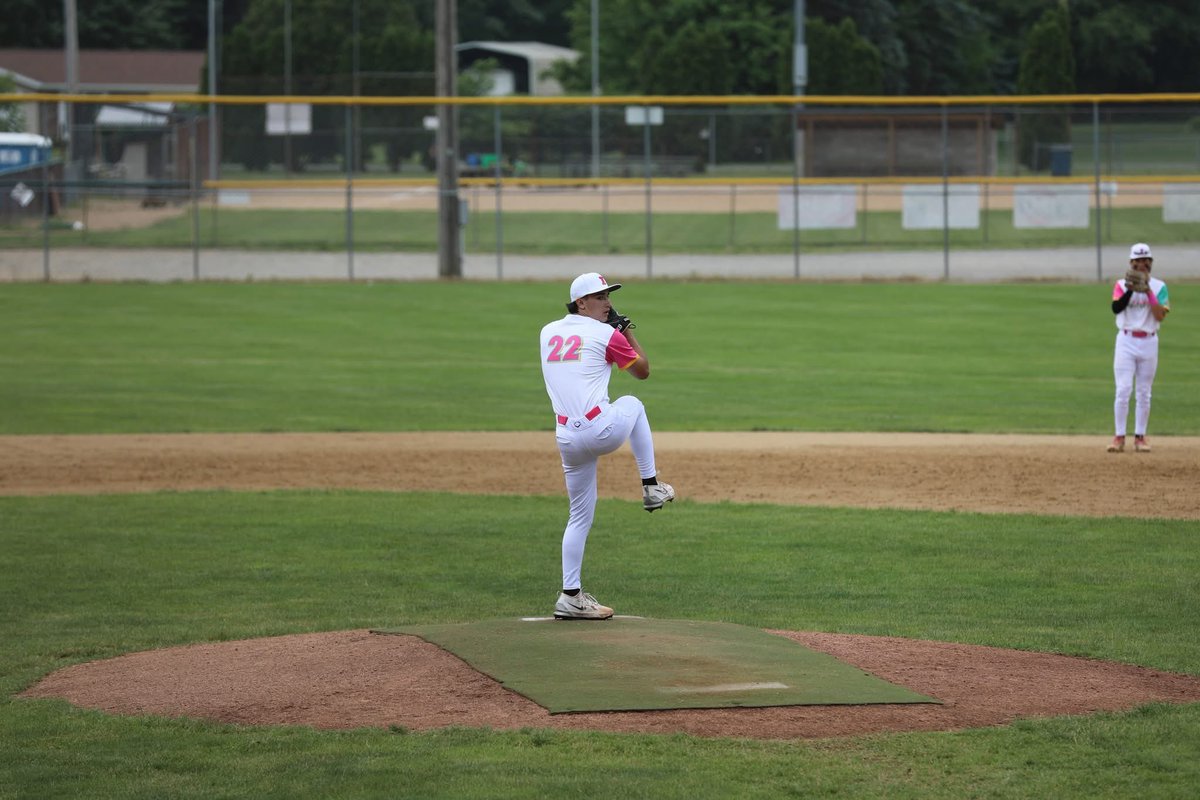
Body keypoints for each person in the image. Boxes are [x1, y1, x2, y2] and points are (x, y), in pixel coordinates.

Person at [539, 272, 675, 620]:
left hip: (567, 439)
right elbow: (643, 371)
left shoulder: (548, 331)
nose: (608, 303)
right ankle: (651, 486)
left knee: (579, 515)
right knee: (633, 402)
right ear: (581, 302)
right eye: (599, 297)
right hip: (599, 429)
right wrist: (626, 333)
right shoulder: (605, 334)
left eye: (608, 296)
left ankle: (570, 596)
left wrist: (610, 332)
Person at [1107, 242, 1171, 453]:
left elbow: (1160, 315)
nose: (1142, 264)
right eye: (1138, 261)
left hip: (1149, 341)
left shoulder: (1160, 287)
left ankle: (1140, 437)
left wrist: (1148, 292)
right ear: (1131, 263)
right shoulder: (1121, 285)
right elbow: (1116, 307)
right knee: (1123, 389)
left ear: (1150, 263)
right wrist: (1131, 289)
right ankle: (1119, 437)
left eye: (1146, 261)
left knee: (1144, 392)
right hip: (1126, 341)